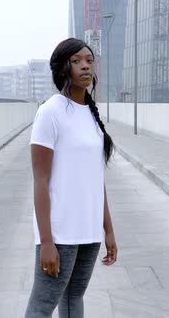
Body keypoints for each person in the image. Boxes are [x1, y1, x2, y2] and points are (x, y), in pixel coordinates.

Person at [24, 38, 117, 318]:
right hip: (60, 232)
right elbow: (40, 182)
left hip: (88, 231)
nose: (85, 66)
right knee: (42, 307)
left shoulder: (91, 114)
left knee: (73, 299)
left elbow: (95, 179)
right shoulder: (50, 112)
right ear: (62, 68)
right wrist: (47, 241)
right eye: (76, 61)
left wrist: (108, 230)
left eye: (89, 60)